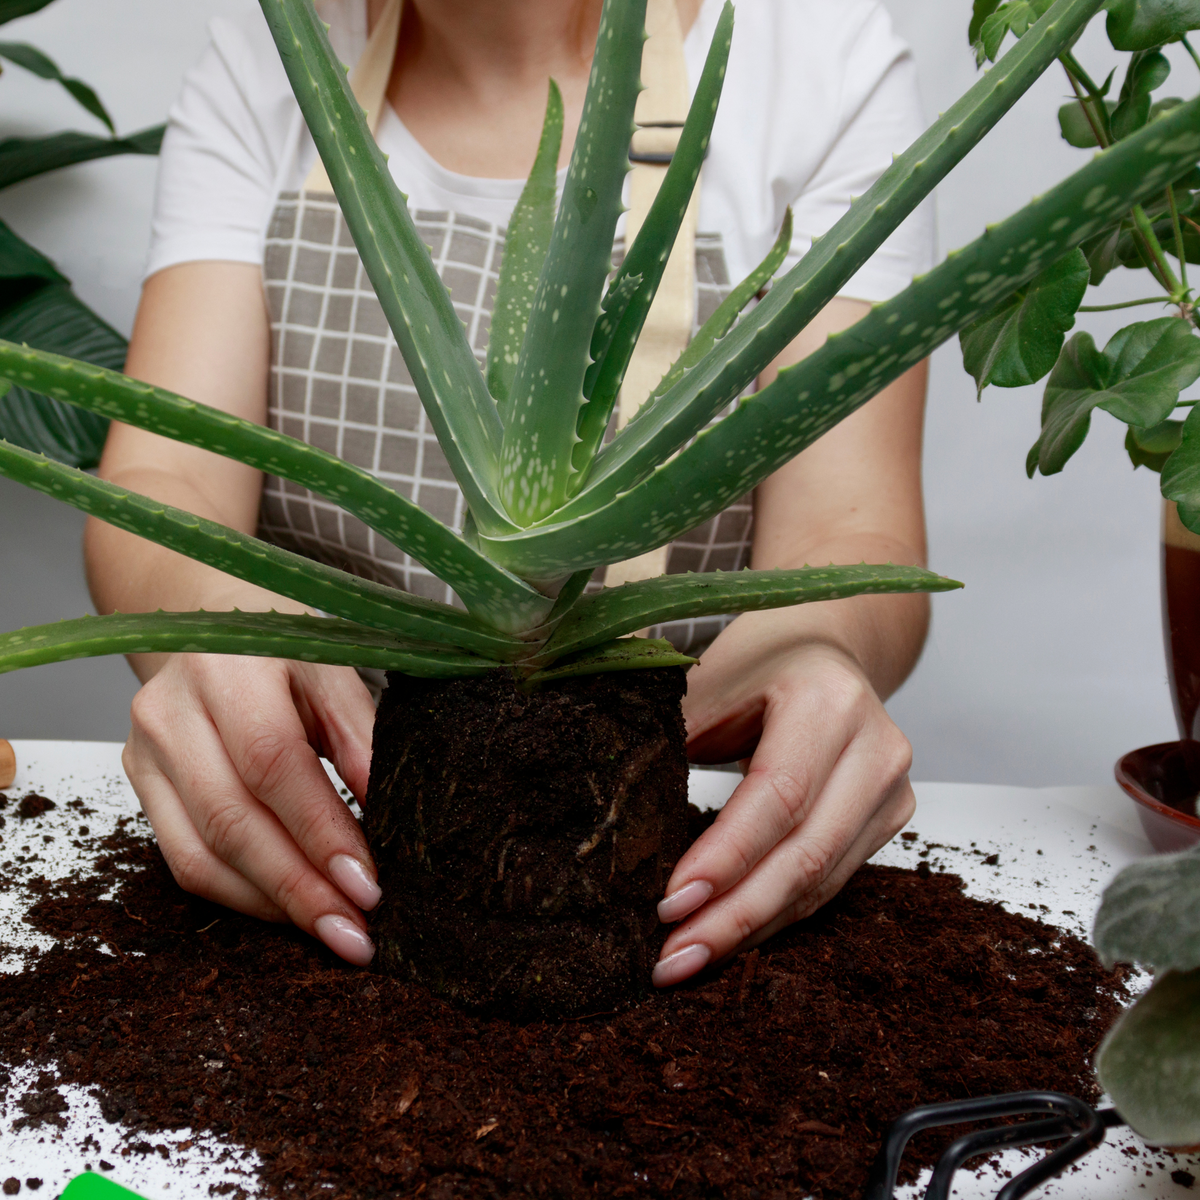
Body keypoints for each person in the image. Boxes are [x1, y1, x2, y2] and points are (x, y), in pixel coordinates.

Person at [84, 0, 934, 985]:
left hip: (653, 860)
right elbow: (164, 474)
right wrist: (207, 624)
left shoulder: (810, 54)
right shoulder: (280, 42)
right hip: (331, 832)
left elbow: (850, 521)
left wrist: (817, 648)